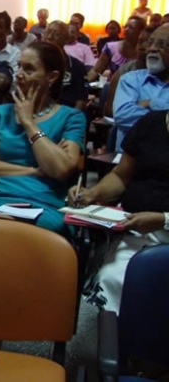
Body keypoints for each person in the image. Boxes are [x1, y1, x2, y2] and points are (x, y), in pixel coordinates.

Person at [0, 42, 85, 236]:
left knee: (34, 237)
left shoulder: (71, 117)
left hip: (44, 202)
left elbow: (62, 170)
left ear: (51, 77)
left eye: (29, 69)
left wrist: (29, 124)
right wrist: (36, 170)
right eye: (18, 66)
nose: (19, 74)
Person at [69, 109, 169, 313]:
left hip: (162, 228)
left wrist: (163, 220)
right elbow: (122, 176)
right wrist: (94, 192)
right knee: (114, 278)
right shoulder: (151, 123)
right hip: (136, 229)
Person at [113, 24, 169, 151]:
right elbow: (123, 117)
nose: (152, 49)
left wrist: (151, 103)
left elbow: (136, 121)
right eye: (150, 43)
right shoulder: (130, 80)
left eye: (162, 44)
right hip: (129, 165)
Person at [103, 26, 154, 118]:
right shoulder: (124, 72)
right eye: (140, 42)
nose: (142, 47)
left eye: (149, 43)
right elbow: (110, 110)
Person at [43, 20, 89, 111]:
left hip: (66, 114)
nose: (49, 37)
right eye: (47, 33)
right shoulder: (34, 62)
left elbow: (81, 101)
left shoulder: (76, 66)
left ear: (66, 39)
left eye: (56, 34)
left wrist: (71, 120)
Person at [87, 16, 146, 82]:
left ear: (141, 31)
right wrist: (83, 84)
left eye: (131, 27)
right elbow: (96, 71)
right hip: (113, 87)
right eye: (125, 26)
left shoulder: (145, 51)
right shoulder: (110, 47)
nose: (126, 29)